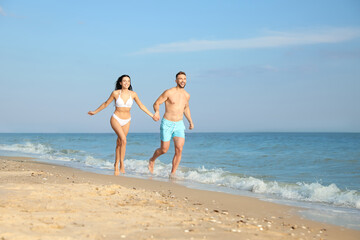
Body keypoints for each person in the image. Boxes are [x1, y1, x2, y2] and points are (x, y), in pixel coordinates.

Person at [88, 75, 156, 175]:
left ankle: (117, 163)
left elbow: (141, 106)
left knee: (120, 142)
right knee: (124, 140)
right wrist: (95, 112)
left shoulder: (133, 94)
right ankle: (120, 164)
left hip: (127, 120)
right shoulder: (115, 93)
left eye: (128, 81)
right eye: (124, 81)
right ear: (120, 83)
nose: (126, 83)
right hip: (116, 118)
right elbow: (106, 103)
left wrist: (152, 115)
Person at [148, 71, 194, 177]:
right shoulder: (169, 92)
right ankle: (152, 160)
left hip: (179, 124)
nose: (183, 81)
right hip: (167, 123)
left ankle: (172, 173)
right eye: (180, 78)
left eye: (184, 79)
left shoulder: (187, 95)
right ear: (176, 80)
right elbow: (156, 103)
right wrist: (157, 111)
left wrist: (190, 121)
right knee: (164, 149)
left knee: (179, 148)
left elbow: (186, 108)